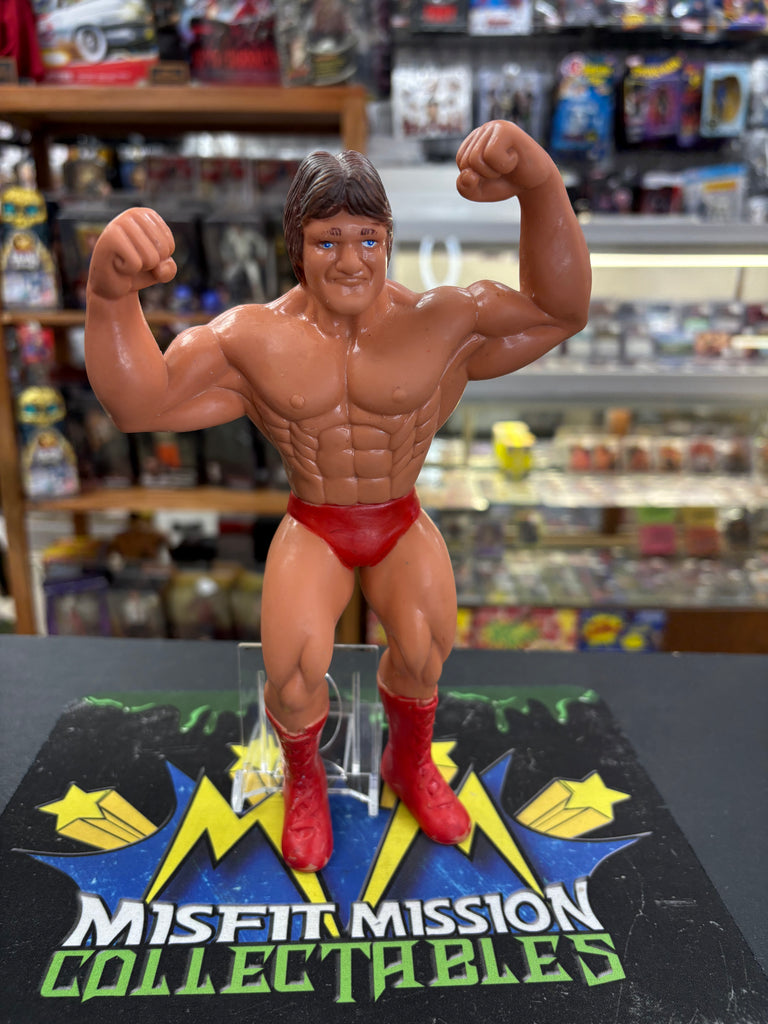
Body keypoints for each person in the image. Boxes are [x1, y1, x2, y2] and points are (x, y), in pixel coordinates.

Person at [84, 120, 591, 873]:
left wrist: (541, 184)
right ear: (297, 246)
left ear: (388, 240)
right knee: (292, 673)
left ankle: (408, 763)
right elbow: (139, 403)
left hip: (399, 516)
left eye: (367, 239)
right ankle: (304, 782)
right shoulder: (251, 337)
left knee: (423, 651)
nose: (351, 260)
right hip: (315, 521)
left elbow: (560, 310)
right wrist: (109, 294)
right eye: (328, 241)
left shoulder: (443, 320)